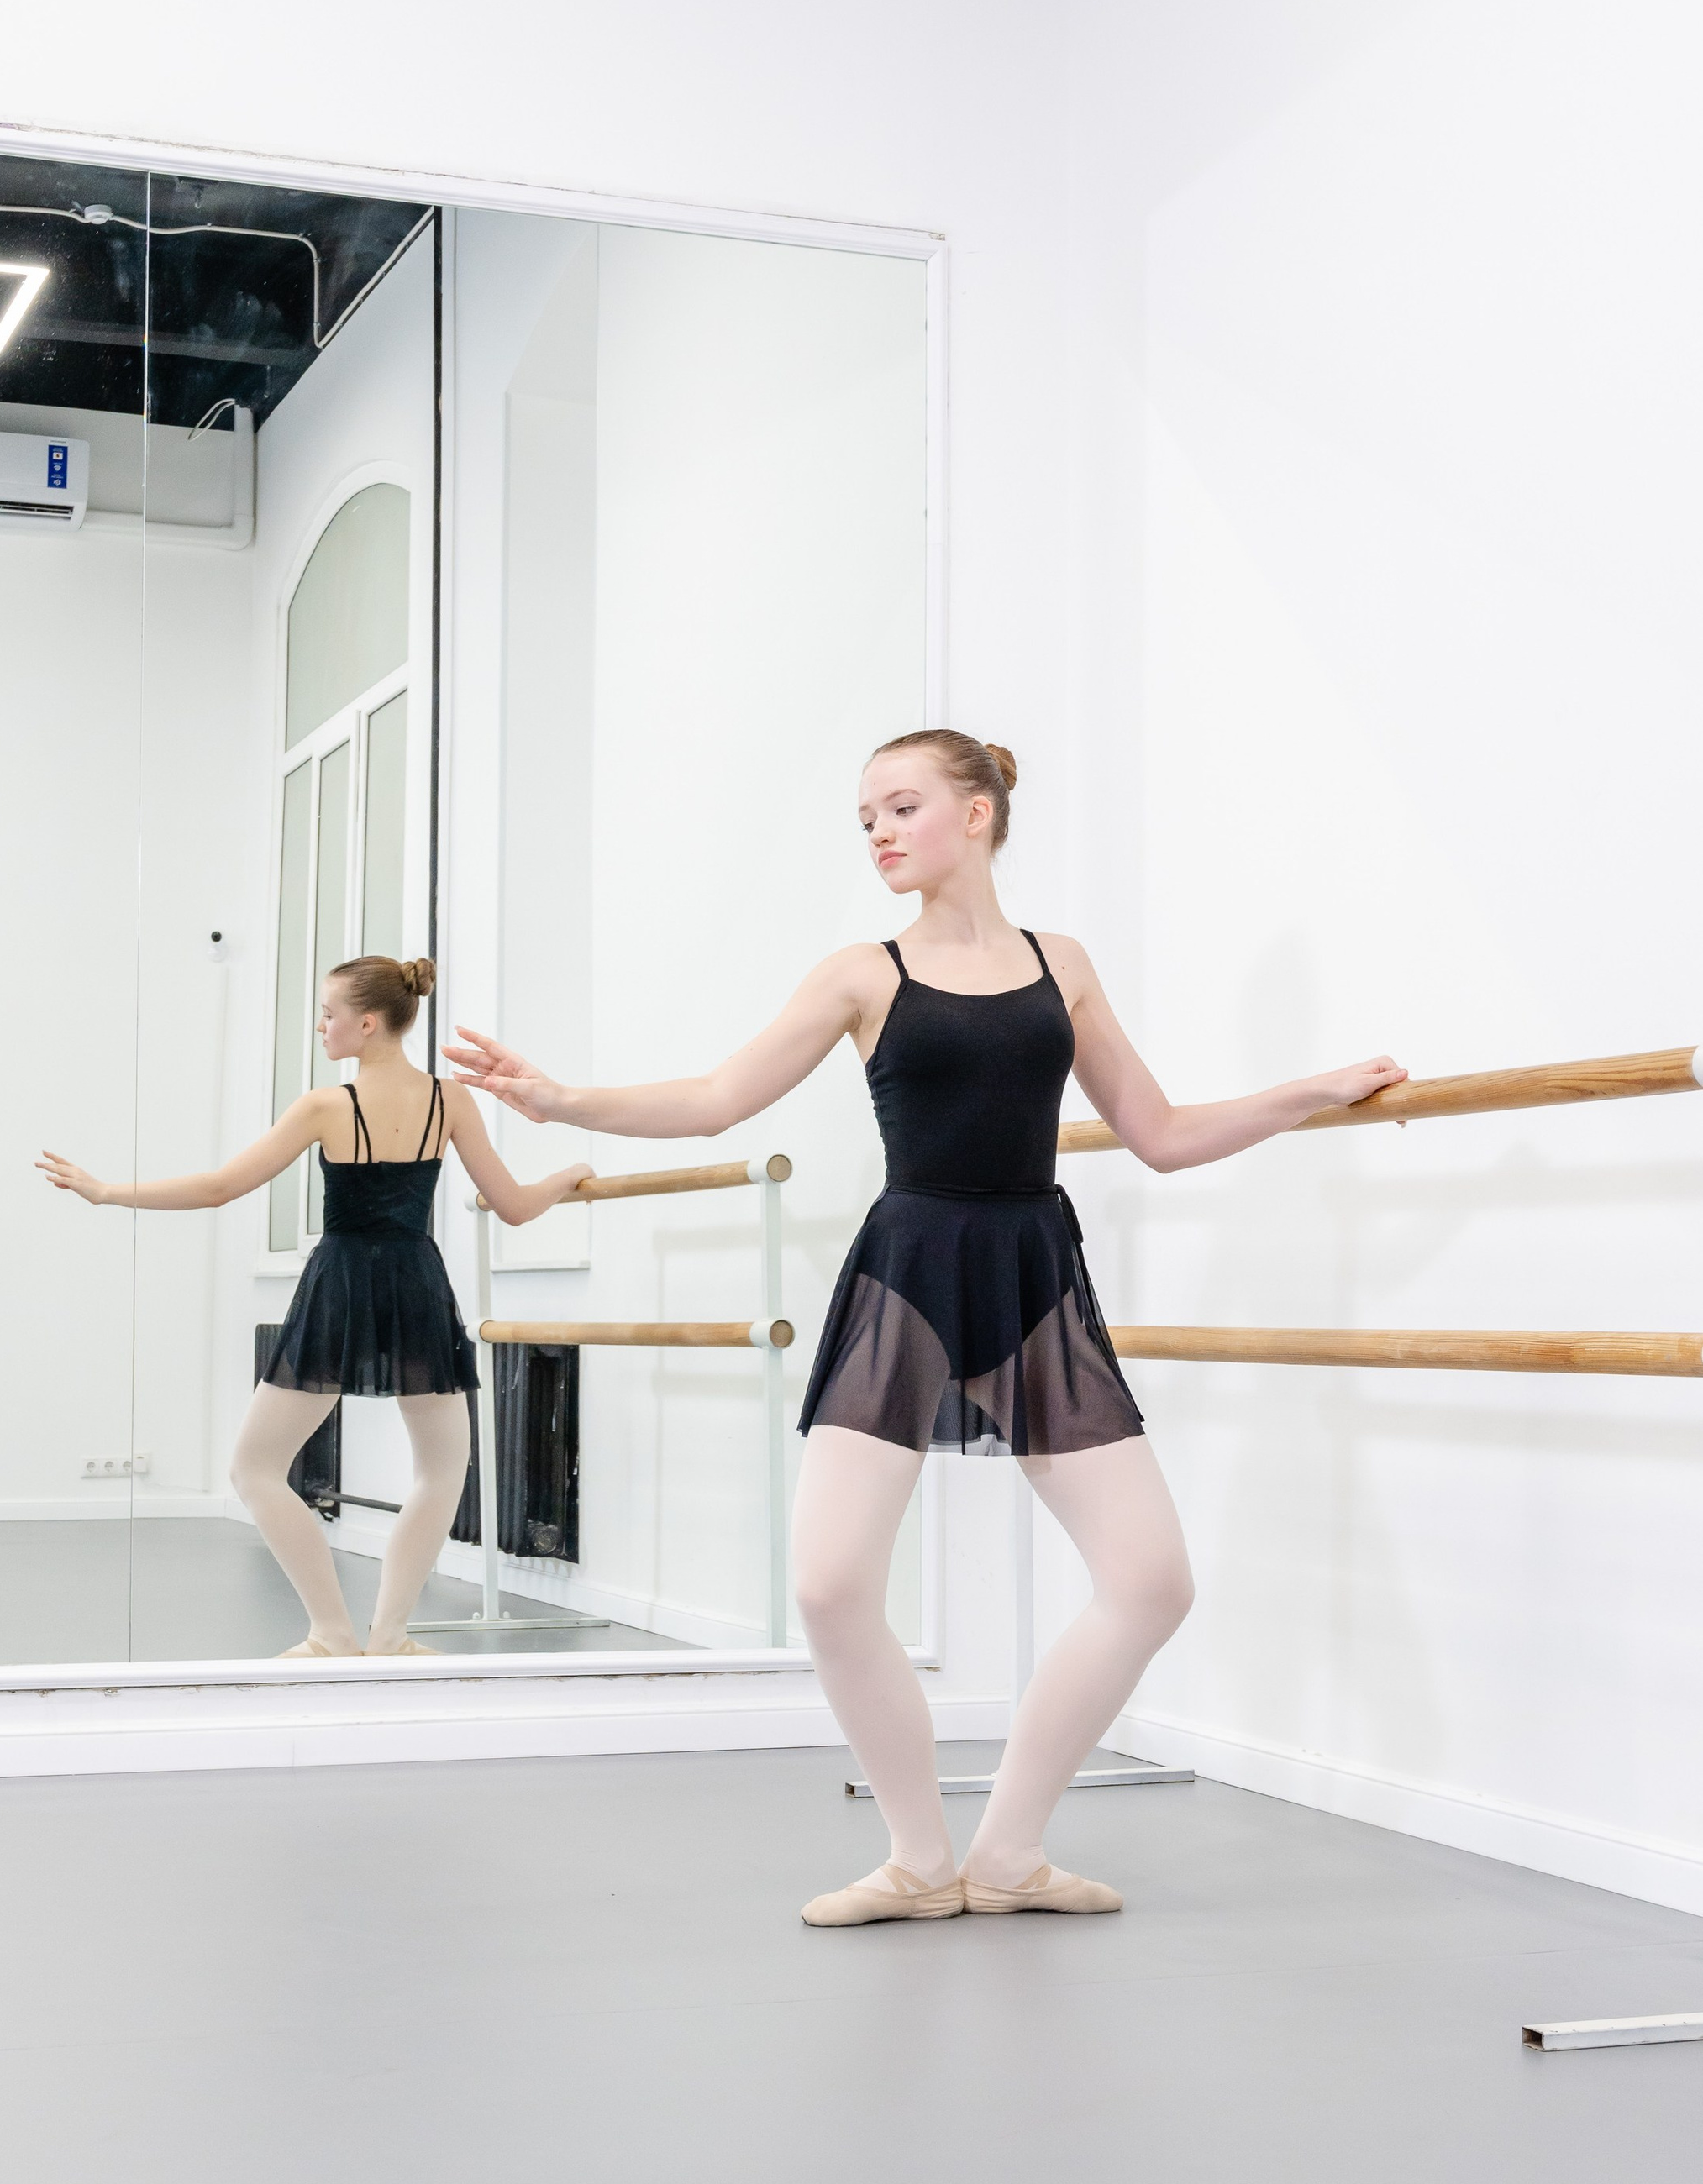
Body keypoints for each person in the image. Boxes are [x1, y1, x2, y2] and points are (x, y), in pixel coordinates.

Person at [447, 732, 1404, 1924]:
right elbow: (714, 1101)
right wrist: (557, 1099)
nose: (881, 833)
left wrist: (1308, 1092)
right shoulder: (864, 974)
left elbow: (1158, 1133)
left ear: (981, 813)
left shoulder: (1066, 965)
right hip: (909, 1276)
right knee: (833, 1583)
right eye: (866, 818)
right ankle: (917, 1857)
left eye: (902, 807)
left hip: (1032, 1273)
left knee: (1151, 1580)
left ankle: (1008, 1852)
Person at [39, 953, 588, 1659]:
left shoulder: (326, 1105)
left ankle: (333, 1631)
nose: (321, 1026)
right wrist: (566, 1177)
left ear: (367, 1022)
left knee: (254, 1468)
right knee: (444, 1468)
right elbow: (513, 1205)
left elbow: (218, 1188)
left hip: (341, 1283)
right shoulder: (453, 1101)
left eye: (328, 1014)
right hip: (417, 1283)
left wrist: (108, 1191)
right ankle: (389, 1635)